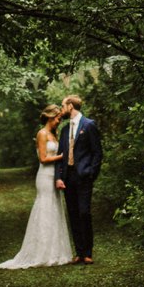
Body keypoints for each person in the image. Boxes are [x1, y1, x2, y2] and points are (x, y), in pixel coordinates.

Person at [0, 104, 76, 269]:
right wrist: (62, 156)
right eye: (57, 118)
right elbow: (43, 158)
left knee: (55, 208)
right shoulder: (42, 134)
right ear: (49, 117)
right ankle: (41, 251)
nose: (59, 122)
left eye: (60, 119)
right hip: (44, 176)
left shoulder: (54, 134)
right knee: (45, 208)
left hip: (54, 176)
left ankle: (55, 251)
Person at [54, 94, 102, 264]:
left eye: (63, 106)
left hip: (84, 177)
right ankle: (79, 252)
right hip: (68, 177)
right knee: (73, 214)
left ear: (70, 106)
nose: (61, 109)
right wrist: (59, 177)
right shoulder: (65, 129)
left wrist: (91, 174)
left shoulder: (89, 125)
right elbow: (61, 155)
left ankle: (88, 252)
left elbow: (97, 152)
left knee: (84, 212)